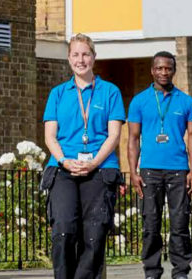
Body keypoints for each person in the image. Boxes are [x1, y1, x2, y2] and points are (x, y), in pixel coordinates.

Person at [40, 33, 126, 279]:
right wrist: (65, 161)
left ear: (94, 58)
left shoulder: (110, 92)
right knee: (64, 230)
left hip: (100, 168)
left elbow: (113, 136)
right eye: (76, 54)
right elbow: (50, 137)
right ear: (68, 59)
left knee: (94, 232)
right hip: (64, 168)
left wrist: (94, 163)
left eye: (86, 54)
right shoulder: (58, 93)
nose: (81, 60)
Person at [126, 51, 192, 279]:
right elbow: (132, 138)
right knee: (150, 224)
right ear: (152, 70)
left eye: (168, 68)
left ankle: (180, 273)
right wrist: (133, 172)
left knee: (180, 224)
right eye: (159, 68)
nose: (163, 72)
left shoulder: (186, 101)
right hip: (149, 170)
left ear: (174, 71)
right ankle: (152, 272)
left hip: (179, 170)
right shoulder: (139, 101)